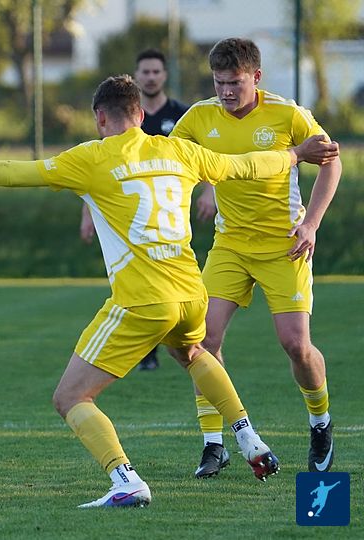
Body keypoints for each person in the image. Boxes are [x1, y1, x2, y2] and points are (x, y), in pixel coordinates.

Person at [0, 75, 338, 508]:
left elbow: (19, 172)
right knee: (192, 353)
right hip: (192, 295)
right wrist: (295, 154)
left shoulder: (92, 157)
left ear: (100, 118)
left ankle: (125, 479)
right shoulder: (177, 150)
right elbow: (246, 165)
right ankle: (249, 438)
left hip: (143, 300)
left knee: (70, 397)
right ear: (140, 114)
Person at [170, 38, 342, 478]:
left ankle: (320, 422)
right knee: (201, 340)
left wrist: (311, 223)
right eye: (219, 82)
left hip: (285, 244)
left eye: (235, 82)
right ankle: (214, 444)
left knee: (295, 345)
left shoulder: (287, 114)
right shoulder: (199, 116)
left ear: (256, 77)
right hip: (230, 244)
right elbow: (168, 159)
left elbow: (331, 162)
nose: (226, 91)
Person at [80, 49, 192, 371]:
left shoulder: (181, 115)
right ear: (138, 75)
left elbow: (203, 158)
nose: (151, 77)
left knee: (159, 280)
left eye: (157, 71)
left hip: (166, 212)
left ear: (165, 75)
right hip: (126, 213)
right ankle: (149, 351)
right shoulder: (118, 119)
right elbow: (96, 174)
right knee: (138, 278)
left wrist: (210, 193)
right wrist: (88, 213)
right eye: (146, 72)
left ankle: (157, 336)